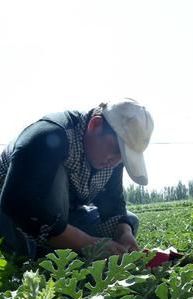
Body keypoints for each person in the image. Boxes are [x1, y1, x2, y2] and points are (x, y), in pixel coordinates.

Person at [0, 98, 154, 260]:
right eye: (116, 149)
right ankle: (35, 257)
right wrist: (88, 243)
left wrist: (124, 233)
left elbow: (112, 205)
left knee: (130, 221)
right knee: (58, 177)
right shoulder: (50, 136)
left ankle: (55, 253)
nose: (115, 162)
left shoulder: (110, 160)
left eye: (123, 157)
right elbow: (17, 203)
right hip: (15, 219)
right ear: (95, 125)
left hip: (63, 219)